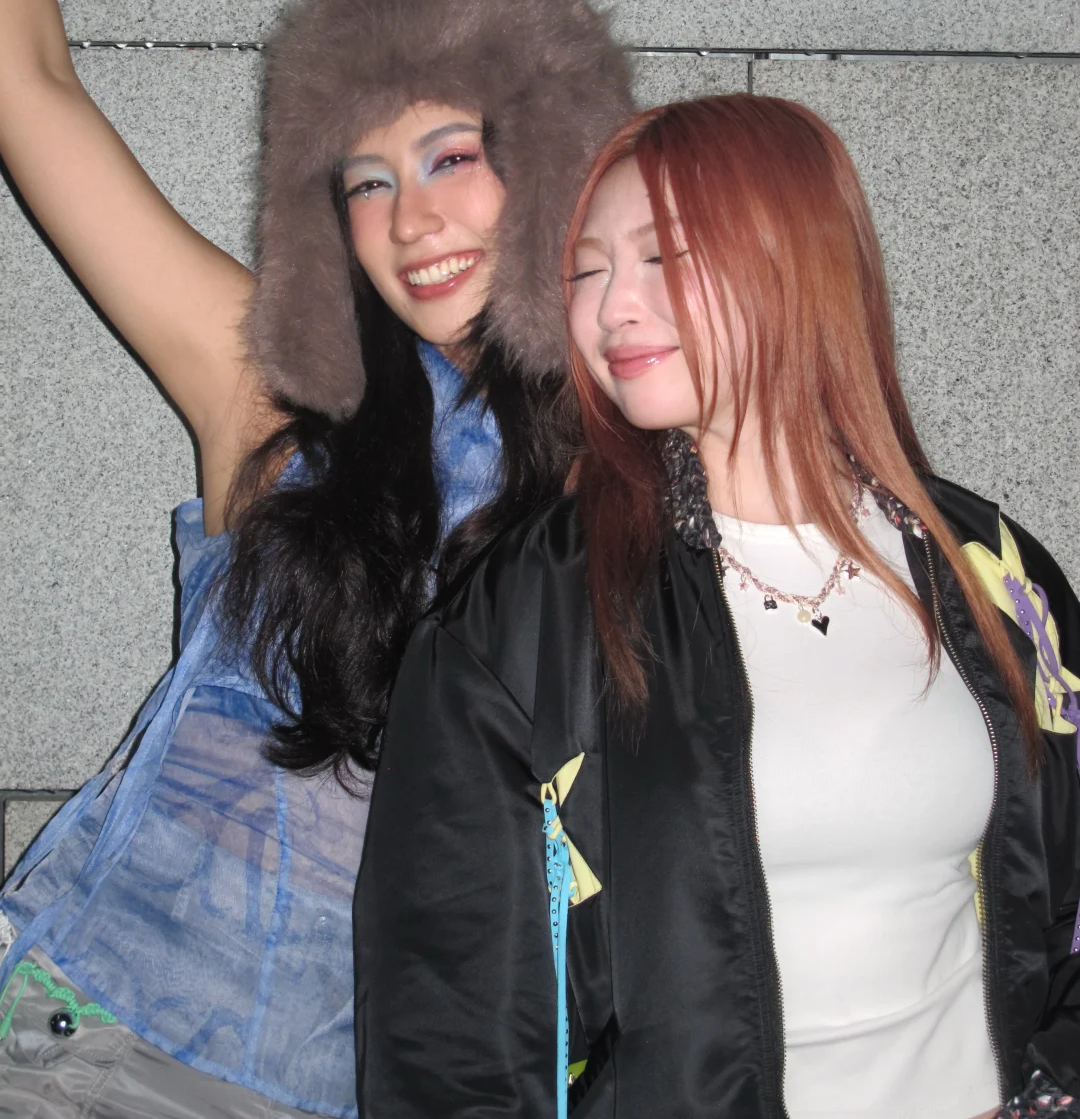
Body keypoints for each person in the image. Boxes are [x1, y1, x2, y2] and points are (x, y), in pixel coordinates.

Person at [0, 0, 633, 1117]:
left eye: (452, 157)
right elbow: (30, 89)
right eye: (367, 180)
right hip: (96, 1045)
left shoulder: (633, 478)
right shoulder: (279, 407)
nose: (414, 218)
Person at [354, 94, 1080, 1119]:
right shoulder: (524, 616)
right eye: (589, 270)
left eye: (664, 258)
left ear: (799, 261)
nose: (613, 307)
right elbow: (447, 1032)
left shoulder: (991, 569)